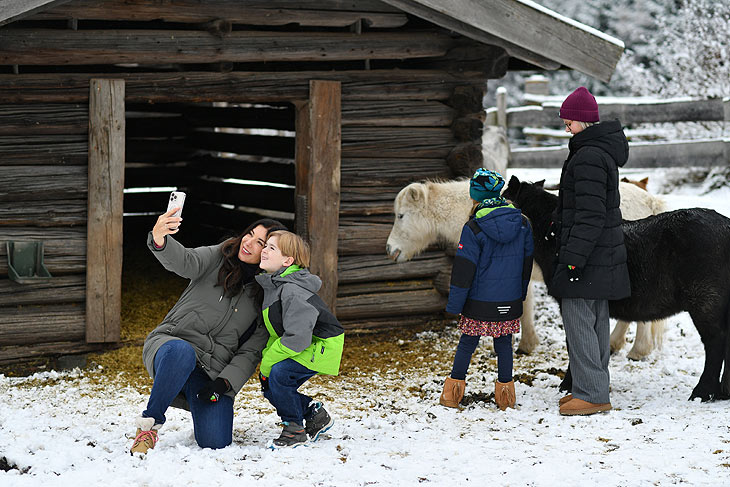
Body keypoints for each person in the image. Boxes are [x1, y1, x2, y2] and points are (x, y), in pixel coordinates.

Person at [129, 205, 286, 455]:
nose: (249, 243)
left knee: (216, 441)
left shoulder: (267, 297)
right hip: (171, 345)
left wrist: (224, 383)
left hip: (210, 371)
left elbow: (251, 352)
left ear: (270, 253)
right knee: (181, 352)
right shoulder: (218, 256)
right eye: (249, 234)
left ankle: (193, 398)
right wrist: (160, 239)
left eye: (261, 243)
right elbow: (185, 261)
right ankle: (150, 424)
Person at [551, 86, 631, 416]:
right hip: (599, 255)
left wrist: (572, 258)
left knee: (580, 321)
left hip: (587, 256)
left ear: (584, 122)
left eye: (569, 121)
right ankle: (593, 388)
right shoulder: (595, 152)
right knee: (595, 321)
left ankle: (593, 395)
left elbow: (590, 214)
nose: (566, 126)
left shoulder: (588, 157)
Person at [440, 169, 534, 411]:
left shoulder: (473, 228)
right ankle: (505, 397)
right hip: (509, 300)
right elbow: (526, 266)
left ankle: (452, 394)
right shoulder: (523, 223)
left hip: (478, 301)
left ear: (476, 196)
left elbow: (463, 271)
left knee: (467, 343)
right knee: (504, 344)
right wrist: (519, 297)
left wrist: (455, 305)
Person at [255, 230, 344, 448]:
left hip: (323, 343)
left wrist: (267, 365)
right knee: (270, 386)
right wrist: (267, 360)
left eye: (271, 248)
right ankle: (313, 413)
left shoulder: (292, 291)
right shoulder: (276, 285)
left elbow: (297, 338)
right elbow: (279, 332)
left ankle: (294, 429)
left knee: (278, 374)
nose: (264, 250)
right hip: (305, 341)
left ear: (288, 260)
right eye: (265, 245)